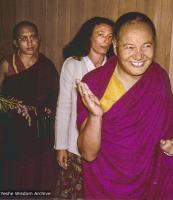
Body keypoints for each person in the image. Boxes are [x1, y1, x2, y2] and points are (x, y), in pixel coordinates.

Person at [76, 12, 173, 199]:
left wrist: (167, 151)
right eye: (129, 47)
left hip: (147, 184)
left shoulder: (158, 78)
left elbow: (167, 130)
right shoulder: (94, 83)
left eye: (146, 46)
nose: (139, 55)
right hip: (105, 184)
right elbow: (88, 154)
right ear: (115, 46)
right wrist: (95, 116)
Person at [54, 17, 114, 199]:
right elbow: (64, 107)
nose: (106, 40)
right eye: (101, 35)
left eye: (110, 36)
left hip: (106, 145)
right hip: (75, 142)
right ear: (89, 36)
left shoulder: (115, 66)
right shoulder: (73, 64)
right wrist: (61, 146)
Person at [0, 21, 59, 194]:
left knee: (41, 174)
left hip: (41, 131)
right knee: (15, 175)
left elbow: (56, 95)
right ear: (15, 43)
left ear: (39, 39)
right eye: (23, 39)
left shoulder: (46, 65)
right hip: (14, 131)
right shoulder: (6, 65)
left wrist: (48, 109)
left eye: (33, 37)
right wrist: (14, 108)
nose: (30, 42)